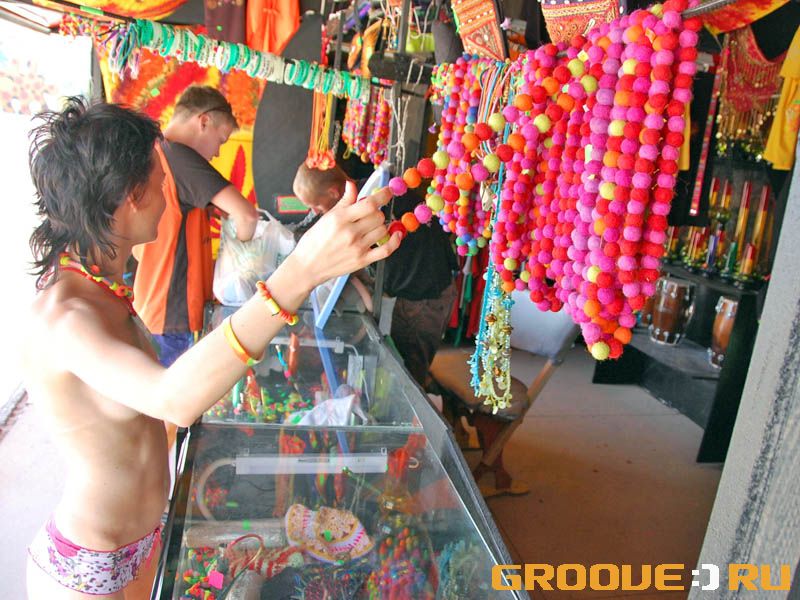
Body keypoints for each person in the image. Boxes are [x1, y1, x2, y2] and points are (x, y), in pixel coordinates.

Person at [23, 98, 399, 600]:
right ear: (132, 196)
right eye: (161, 183)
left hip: (141, 542)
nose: (167, 198)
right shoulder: (65, 315)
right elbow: (172, 398)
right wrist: (302, 270)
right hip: (91, 566)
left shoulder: (103, 286)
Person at [292, 162, 458, 387]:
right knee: (404, 361)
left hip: (426, 296)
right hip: (414, 293)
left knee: (411, 372)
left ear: (333, 192)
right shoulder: (370, 191)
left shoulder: (375, 201)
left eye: (315, 205)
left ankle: (424, 402)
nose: (314, 211)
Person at [133, 85, 259, 367]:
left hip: (153, 306)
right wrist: (242, 269)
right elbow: (247, 216)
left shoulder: (156, 152)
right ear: (204, 121)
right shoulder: (180, 157)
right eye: (220, 140)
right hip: (173, 313)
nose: (217, 153)